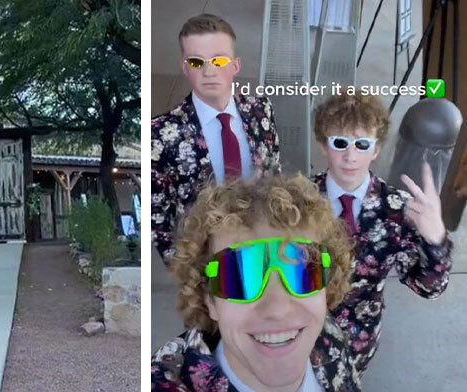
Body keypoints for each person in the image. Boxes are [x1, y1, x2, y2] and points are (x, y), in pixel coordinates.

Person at [152, 175, 360, 391]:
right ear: (209, 300)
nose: (277, 310)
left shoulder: (330, 338)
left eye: (303, 271)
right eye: (240, 276)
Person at [311, 91, 454, 375]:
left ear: (376, 149)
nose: (351, 157)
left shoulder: (397, 209)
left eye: (362, 144)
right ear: (323, 146)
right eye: (340, 143)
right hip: (304, 336)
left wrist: (435, 240)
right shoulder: (299, 201)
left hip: (359, 343)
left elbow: (428, 288)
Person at [151, 13, 281, 263]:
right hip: (204, 263)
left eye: (218, 60)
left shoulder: (261, 110)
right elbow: (158, 214)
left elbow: (274, 173)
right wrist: (182, 268)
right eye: (197, 62)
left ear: (235, 65)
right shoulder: (160, 132)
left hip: (262, 251)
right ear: (185, 68)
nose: (209, 71)